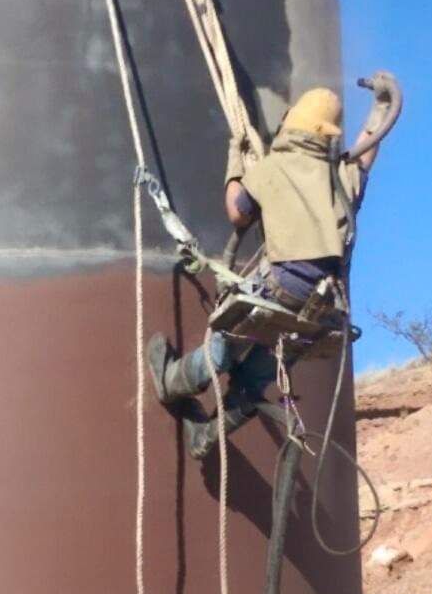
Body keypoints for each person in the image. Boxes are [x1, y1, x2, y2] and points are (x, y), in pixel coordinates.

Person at [148, 81, 390, 459]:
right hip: (323, 308)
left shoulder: (275, 167)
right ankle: (208, 435)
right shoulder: (342, 178)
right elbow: (366, 153)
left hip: (281, 289)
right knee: (257, 375)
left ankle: (172, 382)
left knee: (223, 349)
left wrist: (235, 162)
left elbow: (237, 212)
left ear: (292, 124)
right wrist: (381, 108)